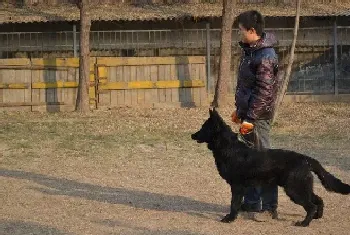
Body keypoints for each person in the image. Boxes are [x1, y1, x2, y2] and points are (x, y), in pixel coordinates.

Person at [231, 10, 280, 218]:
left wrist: (250, 118)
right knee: (249, 161)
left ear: (252, 30)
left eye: (241, 30)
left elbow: (264, 92)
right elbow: (247, 87)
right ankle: (252, 203)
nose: (239, 33)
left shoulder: (266, 56)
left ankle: (269, 207)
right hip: (249, 116)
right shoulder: (251, 51)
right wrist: (240, 111)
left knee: (263, 162)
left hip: (258, 119)